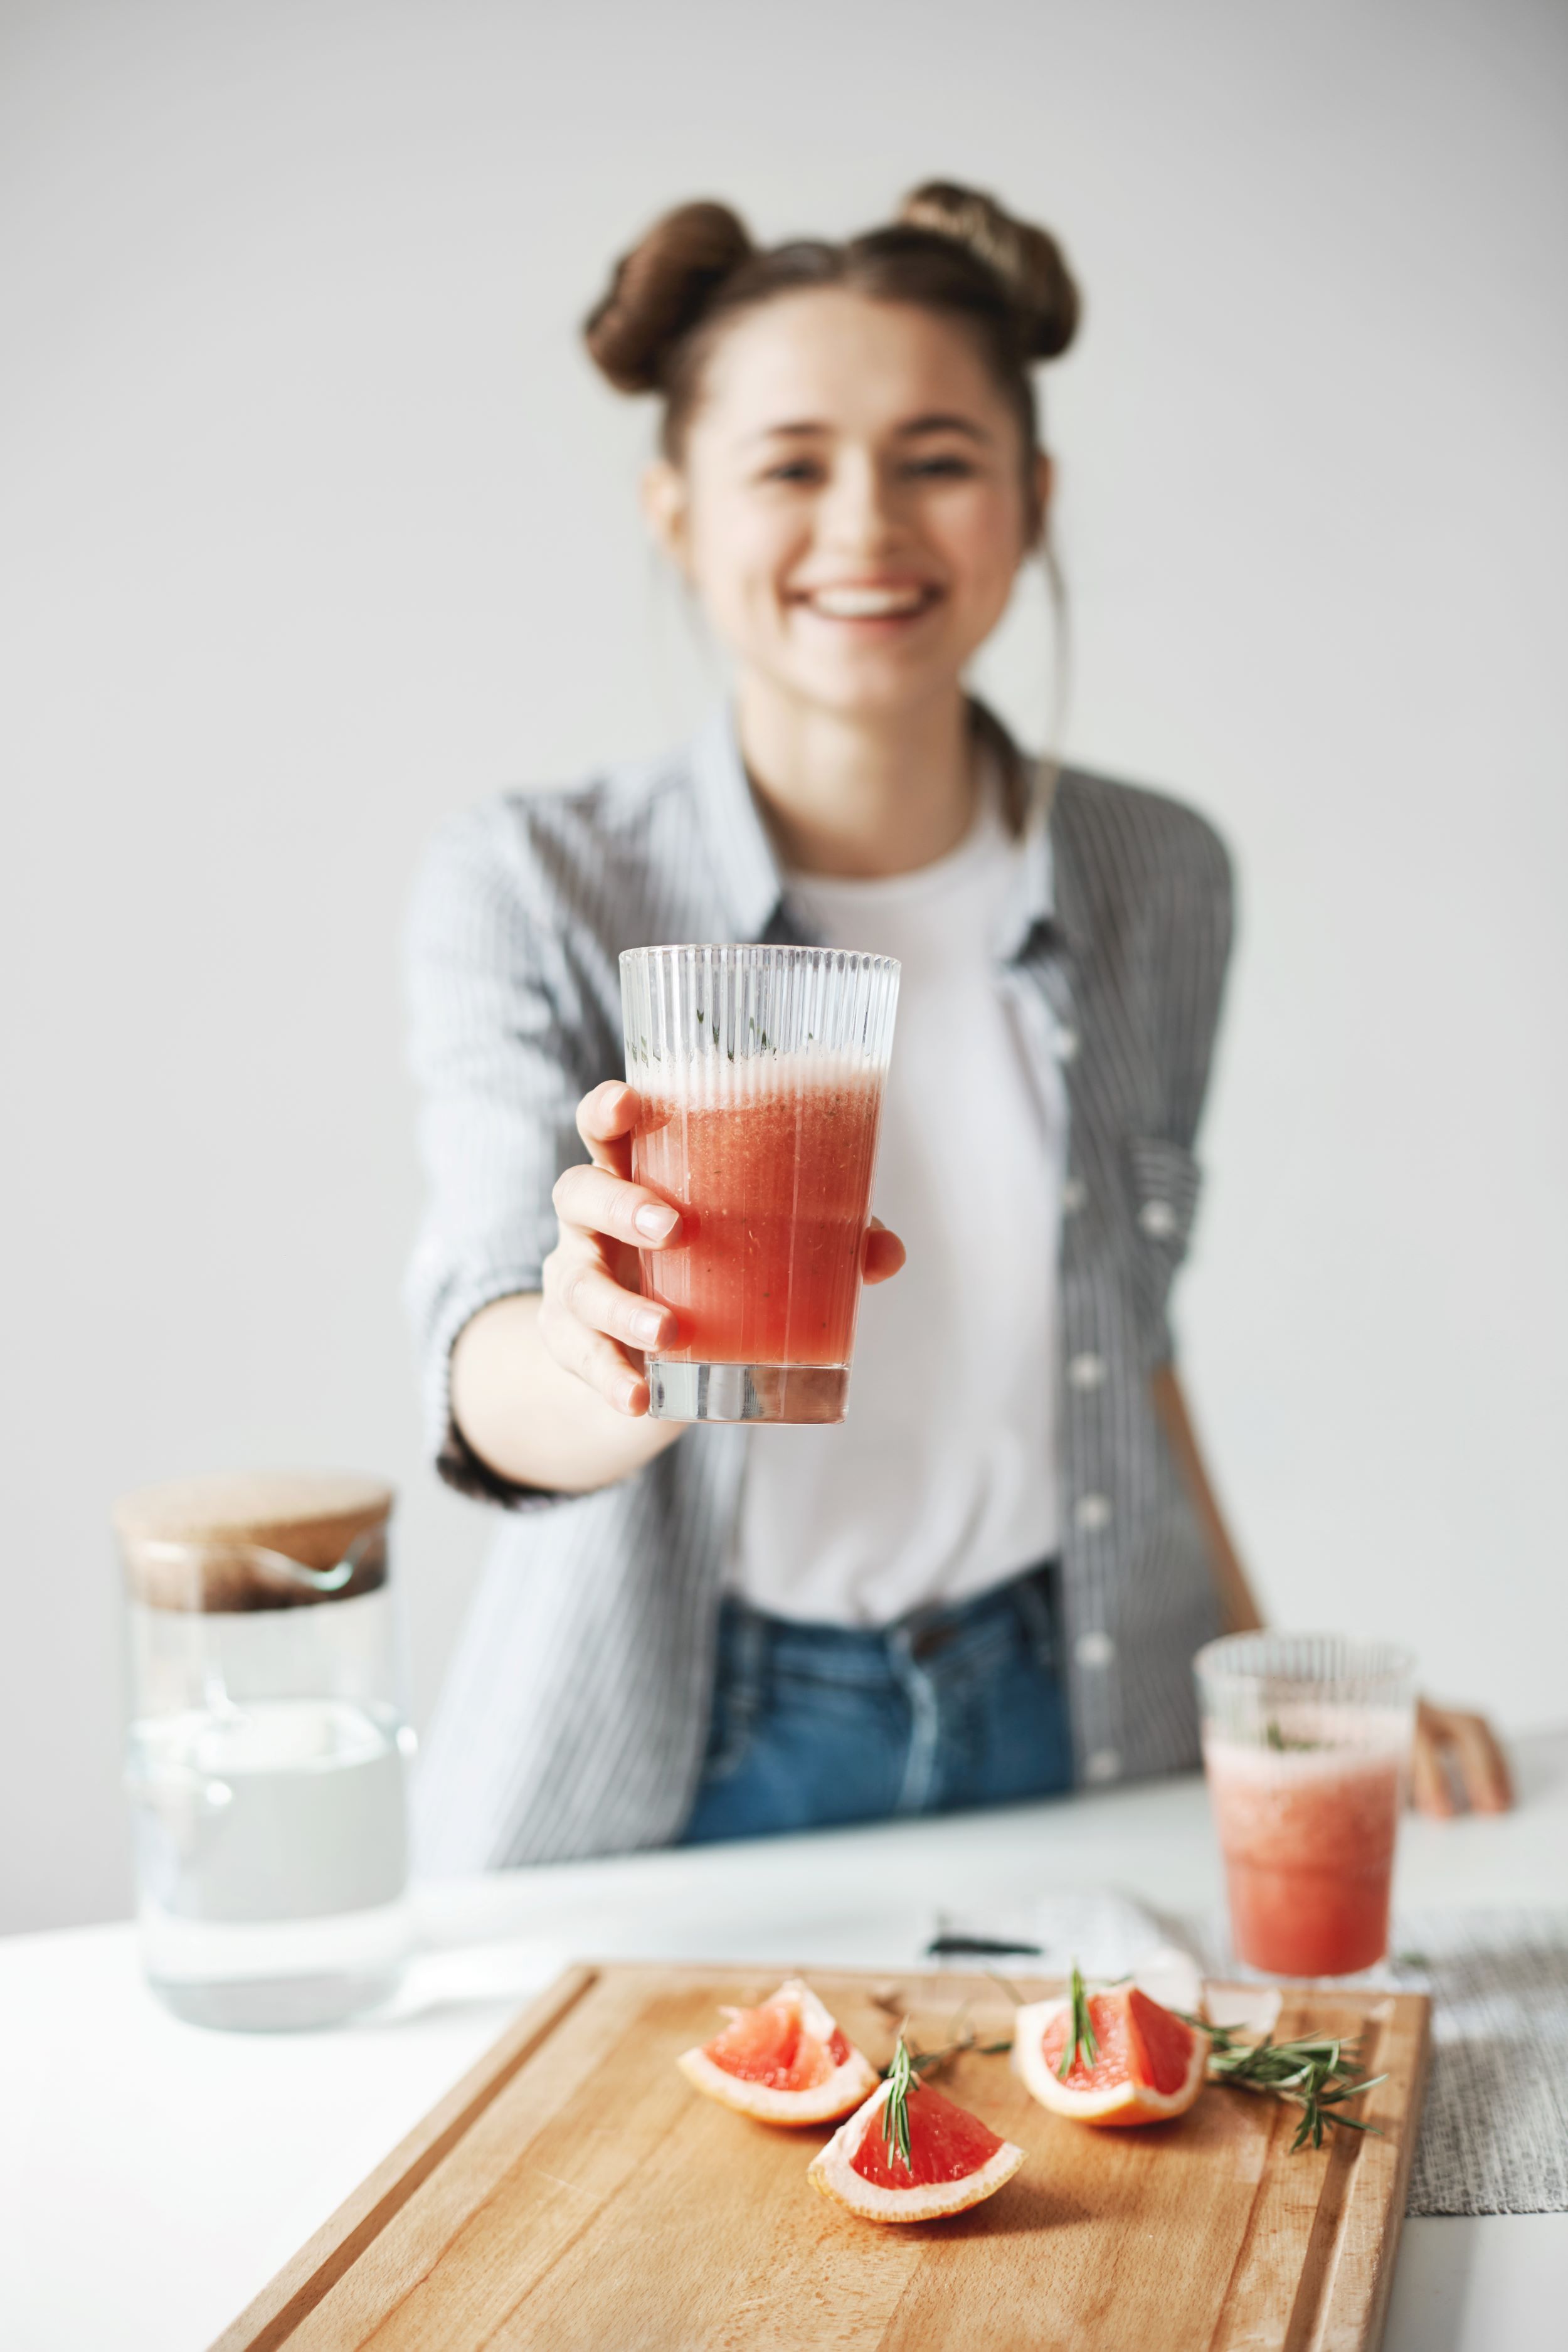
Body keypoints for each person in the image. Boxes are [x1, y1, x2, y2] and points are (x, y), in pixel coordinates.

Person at [405, 183, 1510, 1872]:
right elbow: (482, 1370)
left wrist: (1272, 1703)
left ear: (1031, 501)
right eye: (788, 466)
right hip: (686, 1754)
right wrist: (596, 1342)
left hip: (1075, 1706)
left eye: (935, 458)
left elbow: (1126, 1350)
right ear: (675, 514)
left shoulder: (1154, 873)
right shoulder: (536, 880)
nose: (865, 527)